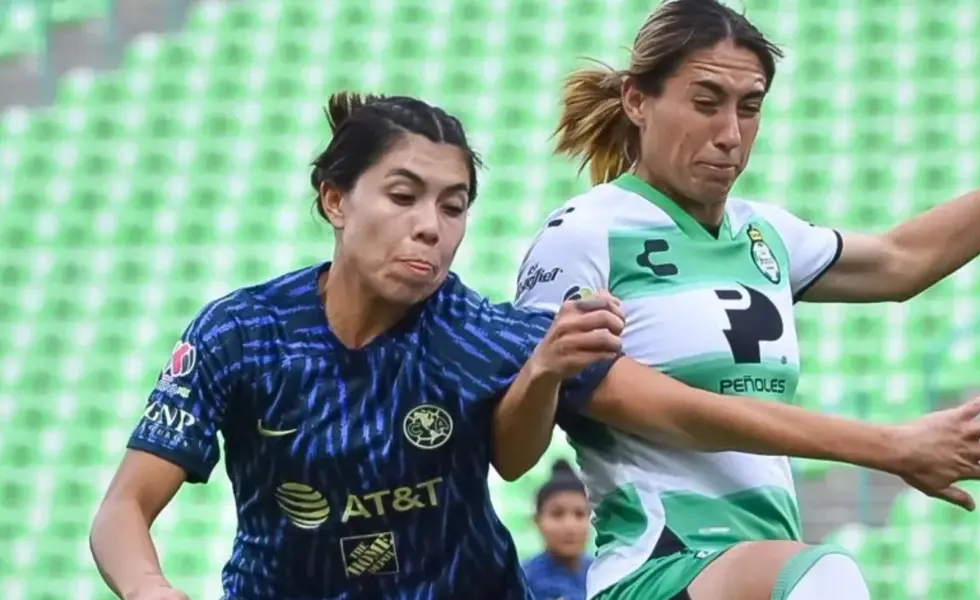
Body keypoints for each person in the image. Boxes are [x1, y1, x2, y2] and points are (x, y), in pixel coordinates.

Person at [515, 0, 980, 599]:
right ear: (637, 100)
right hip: (657, 568)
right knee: (826, 578)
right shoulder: (585, 235)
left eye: (750, 107)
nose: (730, 133)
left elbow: (904, 260)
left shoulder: (764, 234)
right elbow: (659, 405)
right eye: (705, 102)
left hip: (761, 570)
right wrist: (884, 445)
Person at [89, 92, 628, 600]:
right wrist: (147, 587)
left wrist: (542, 373)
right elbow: (123, 508)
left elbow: (515, 460)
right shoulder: (243, 334)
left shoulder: (479, 331)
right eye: (402, 196)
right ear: (335, 200)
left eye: (453, 206)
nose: (429, 227)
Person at [523, 460, 592, 600]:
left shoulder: (604, 574)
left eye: (579, 514)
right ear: (537, 521)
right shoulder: (522, 579)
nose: (569, 526)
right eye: (557, 514)